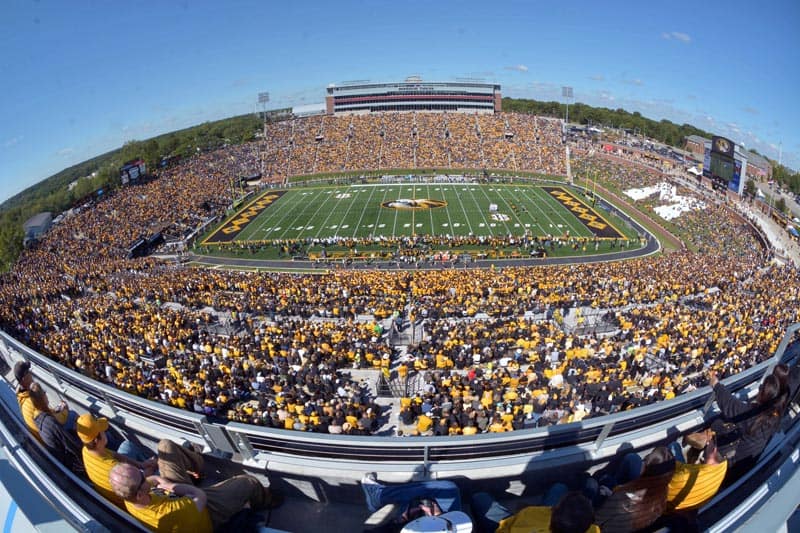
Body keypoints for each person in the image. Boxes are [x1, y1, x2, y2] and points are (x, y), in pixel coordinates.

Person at [108, 461, 281, 532]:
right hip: (205, 509)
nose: (143, 473)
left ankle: (197, 465)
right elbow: (199, 495)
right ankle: (266, 501)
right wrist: (168, 485)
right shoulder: (172, 512)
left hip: (179, 495)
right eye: (140, 474)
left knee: (166, 446)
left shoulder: (130, 499)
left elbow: (149, 481)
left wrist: (157, 479)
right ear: (139, 493)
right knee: (246, 482)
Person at [709, 371, 785, 482]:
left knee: (717, 424)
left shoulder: (754, 417)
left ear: (764, 395)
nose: (758, 390)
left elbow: (729, 405)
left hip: (732, 468)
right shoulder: (775, 415)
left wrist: (715, 384)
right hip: (748, 463)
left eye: (760, 388)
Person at [77, 413, 161, 507]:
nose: (105, 432)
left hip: (126, 479)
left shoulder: (87, 450)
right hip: (132, 496)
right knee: (159, 471)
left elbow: (115, 455)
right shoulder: (115, 470)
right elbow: (140, 482)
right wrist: (153, 466)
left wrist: (141, 464)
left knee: (127, 445)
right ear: (96, 441)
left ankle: (143, 465)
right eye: (102, 431)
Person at [361, 473, 472, 532]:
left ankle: (379, 496)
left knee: (412, 500)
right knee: (448, 488)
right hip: (448, 525)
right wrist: (439, 519)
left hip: (413, 527)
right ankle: (380, 496)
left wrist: (399, 521)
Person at [471, 487, 598, 533]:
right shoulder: (593, 530)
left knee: (479, 498)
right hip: (529, 521)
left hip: (512, 525)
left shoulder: (530, 513)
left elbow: (505, 527)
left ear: (554, 511)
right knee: (559, 488)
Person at [29, 383, 85, 474]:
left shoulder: (37, 415)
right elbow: (70, 443)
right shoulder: (50, 423)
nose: (46, 395)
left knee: (71, 416)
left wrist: (59, 409)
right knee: (72, 416)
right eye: (44, 393)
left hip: (63, 455)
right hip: (71, 461)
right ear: (42, 398)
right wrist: (87, 451)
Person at [15, 361, 74, 442]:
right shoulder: (31, 400)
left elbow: (46, 414)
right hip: (53, 438)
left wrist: (57, 409)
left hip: (48, 435)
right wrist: (64, 411)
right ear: (24, 379)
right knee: (72, 415)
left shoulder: (23, 398)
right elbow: (53, 421)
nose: (31, 373)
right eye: (28, 372)